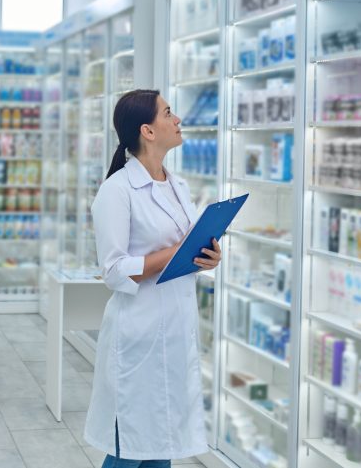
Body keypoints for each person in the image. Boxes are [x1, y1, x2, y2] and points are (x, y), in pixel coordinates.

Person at [82, 89, 222, 467]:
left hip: (175, 331)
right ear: (147, 130)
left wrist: (206, 256)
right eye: (168, 113)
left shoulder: (178, 186)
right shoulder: (117, 191)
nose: (177, 120)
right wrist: (174, 254)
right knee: (129, 450)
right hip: (138, 336)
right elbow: (112, 270)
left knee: (162, 450)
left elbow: (184, 247)